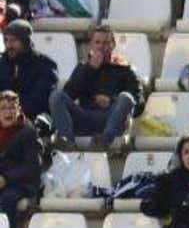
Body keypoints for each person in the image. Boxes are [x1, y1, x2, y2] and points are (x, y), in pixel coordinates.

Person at [50, 24, 143, 153]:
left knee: (126, 97)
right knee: (56, 96)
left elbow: (138, 103)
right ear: (91, 45)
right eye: (97, 42)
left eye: (106, 43)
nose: (101, 46)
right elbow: (69, 94)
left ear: (113, 45)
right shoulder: (83, 67)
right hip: (85, 117)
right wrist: (90, 69)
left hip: (111, 120)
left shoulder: (125, 69)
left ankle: (103, 142)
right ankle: (67, 145)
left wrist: (111, 101)